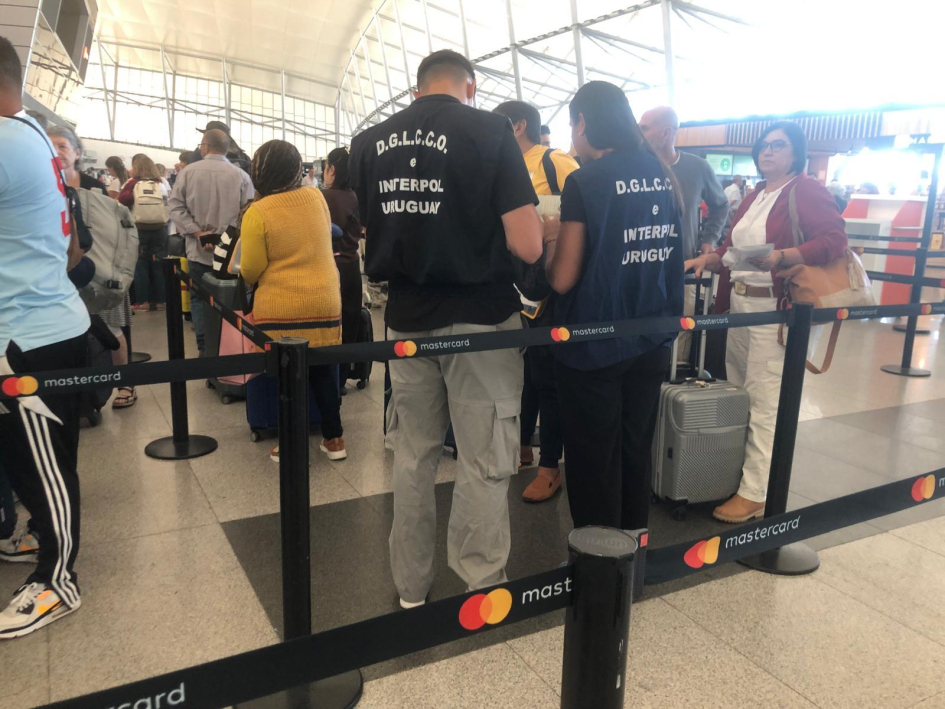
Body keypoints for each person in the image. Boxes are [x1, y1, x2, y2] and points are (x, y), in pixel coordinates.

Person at [349, 49, 542, 608]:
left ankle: (410, 588)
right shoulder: (491, 131)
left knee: (413, 455)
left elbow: (376, 226)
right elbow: (526, 243)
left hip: (405, 318)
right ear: (471, 86)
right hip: (480, 318)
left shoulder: (370, 141)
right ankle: (480, 587)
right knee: (483, 457)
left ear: (416, 90)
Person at [684, 121, 848, 523]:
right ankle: (740, 478)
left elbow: (834, 239)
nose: (768, 152)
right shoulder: (757, 193)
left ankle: (757, 492)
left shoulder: (806, 189)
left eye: (778, 145)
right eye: (764, 146)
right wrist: (710, 257)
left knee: (765, 400)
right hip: (741, 307)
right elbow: (733, 245)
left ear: (797, 152)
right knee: (742, 394)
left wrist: (785, 255)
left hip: (777, 311)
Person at [544, 81, 683, 532]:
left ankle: (600, 575)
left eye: (572, 125)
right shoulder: (662, 172)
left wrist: (550, 241)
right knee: (634, 447)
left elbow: (563, 277)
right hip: (652, 336)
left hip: (594, 343)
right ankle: (633, 560)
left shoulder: (585, 181)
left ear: (583, 121)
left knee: (592, 459)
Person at [0, 35, 90, 637]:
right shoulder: (29, 132)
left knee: (45, 465)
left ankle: (59, 576)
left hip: (30, 337)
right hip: (40, 323)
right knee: (28, 460)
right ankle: (38, 535)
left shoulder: (7, 139)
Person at [492, 100, 580, 503]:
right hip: (514, 286)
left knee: (549, 381)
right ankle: (522, 446)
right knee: (522, 374)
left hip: (550, 288)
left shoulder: (553, 161)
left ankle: (550, 465)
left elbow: (584, 205)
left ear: (519, 125)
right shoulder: (499, 162)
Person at [239, 140, 347, 462]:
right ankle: (335, 440)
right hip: (325, 301)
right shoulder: (316, 197)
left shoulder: (257, 213)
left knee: (288, 381)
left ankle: (289, 443)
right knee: (325, 373)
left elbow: (250, 269)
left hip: (282, 308)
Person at [47, 126, 137, 409]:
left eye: (63, 145)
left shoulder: (94, 187)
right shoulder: (43, 185)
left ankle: (125, 383)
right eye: (52, 146)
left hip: (100, 270)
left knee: (111, 328)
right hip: (59, 273)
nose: (58, 151)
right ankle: (78, 392)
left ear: (77, 152)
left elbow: (114, 232)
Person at [639, 106, 728, 365]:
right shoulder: (636, 166)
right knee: (641, 335)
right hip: (640, 268)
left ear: (666, 132)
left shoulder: (697, 167)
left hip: (683, 268)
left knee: (680, 336)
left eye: (644, 127)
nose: (639, 132)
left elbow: (720, 205)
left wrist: (708, 241)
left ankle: (673, 391)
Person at [168, 128, 254, 355]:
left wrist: (197, 232)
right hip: (232, 255)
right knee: (231, 302)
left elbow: (175, 207)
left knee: (199, 300)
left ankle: (206, 353)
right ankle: (231, 352)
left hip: (198, 252)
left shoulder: (188, 173)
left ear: (204, 147)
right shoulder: (241, 176)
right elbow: (250, 214)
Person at [321, 147, 363, 390]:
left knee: (329, 327)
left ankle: (328, 380)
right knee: (350, 323)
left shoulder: (322, 198)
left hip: (329, 268)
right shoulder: (358, 197)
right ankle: (343, 378)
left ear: (332, 170)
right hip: (351, 269)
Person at [119, 154, 170, 314]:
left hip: (139, 228)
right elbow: (167, 204)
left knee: (140, 264)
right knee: (158, 265)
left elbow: (121, 202)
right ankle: (161, 300)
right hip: (160, 229)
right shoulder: (160, 183)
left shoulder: (132, 183)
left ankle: (143, 301)